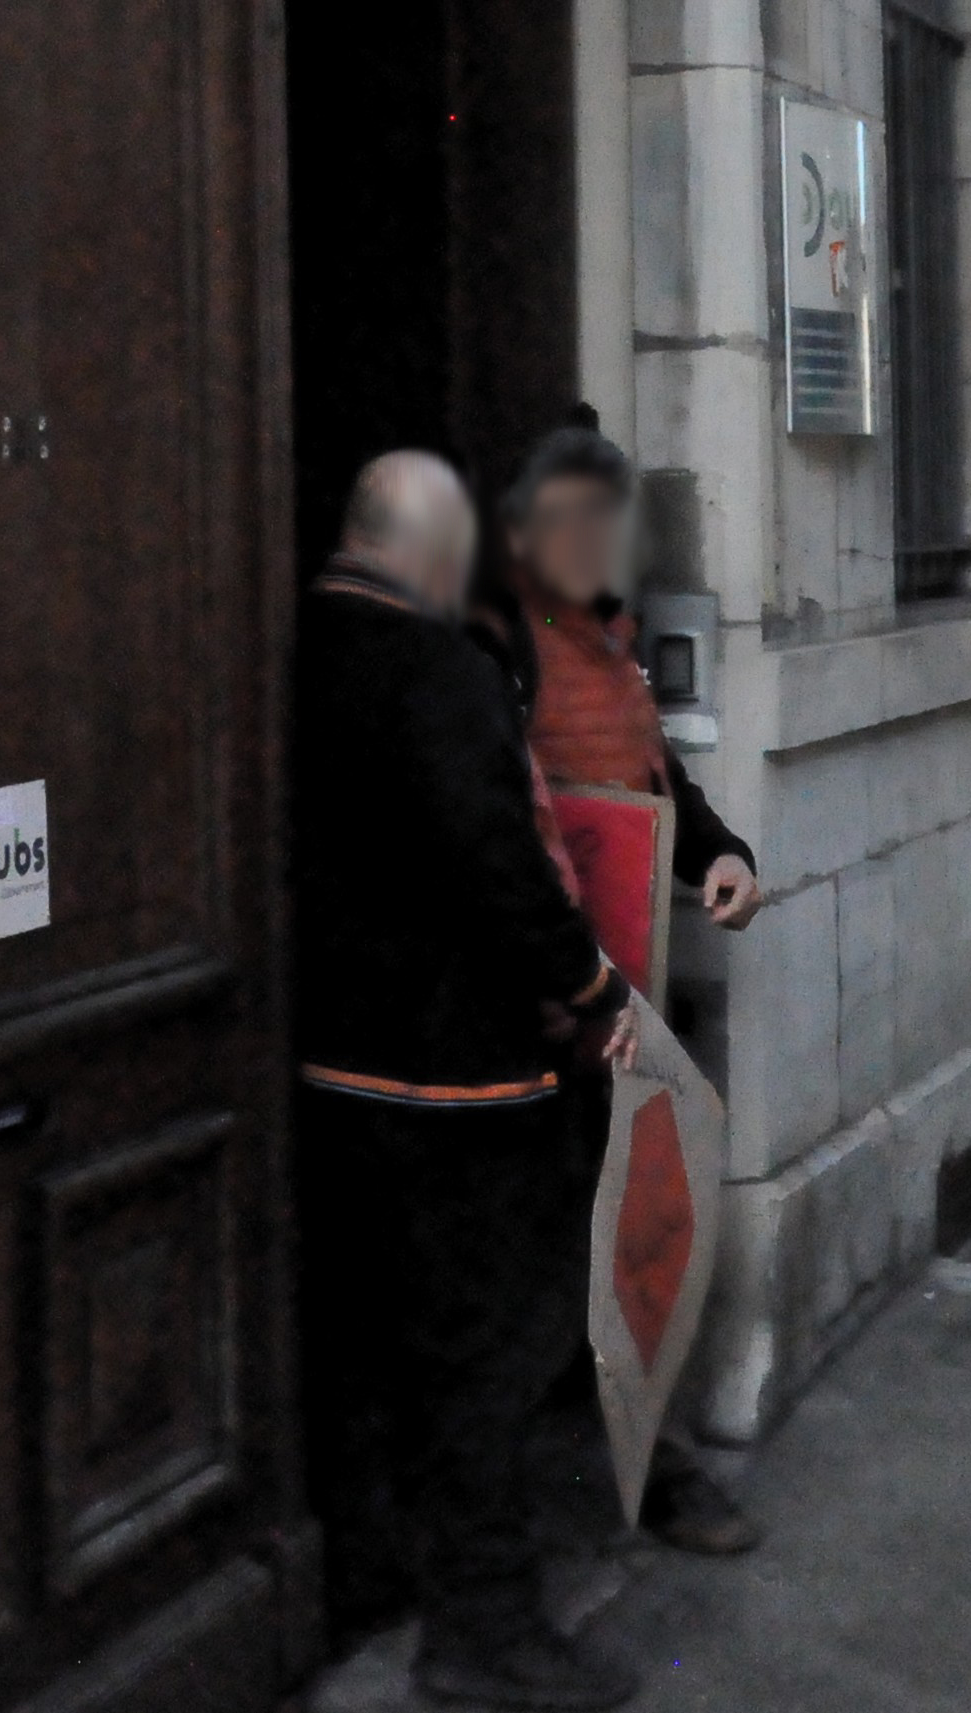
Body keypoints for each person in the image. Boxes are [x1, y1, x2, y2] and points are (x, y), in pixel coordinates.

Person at [294, 452, 644, 1711]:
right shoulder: (435, 668)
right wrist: (591, 987)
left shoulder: (298, 644)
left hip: (333, 1068)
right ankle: (484, 1628)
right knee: (485, 1357)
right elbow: (498, 864)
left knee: (371, 1343)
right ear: (436, 554)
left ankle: (373, 1575)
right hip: (457, 1081)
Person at [483, 419, 766, 1558]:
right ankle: (566, 1481)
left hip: (619, 990)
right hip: (544, 1005)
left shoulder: (604, 636)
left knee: (636, 1233)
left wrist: (721, 853)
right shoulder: (497, 642)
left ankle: (643, 1458)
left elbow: (658, 781)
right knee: (562, 1254)